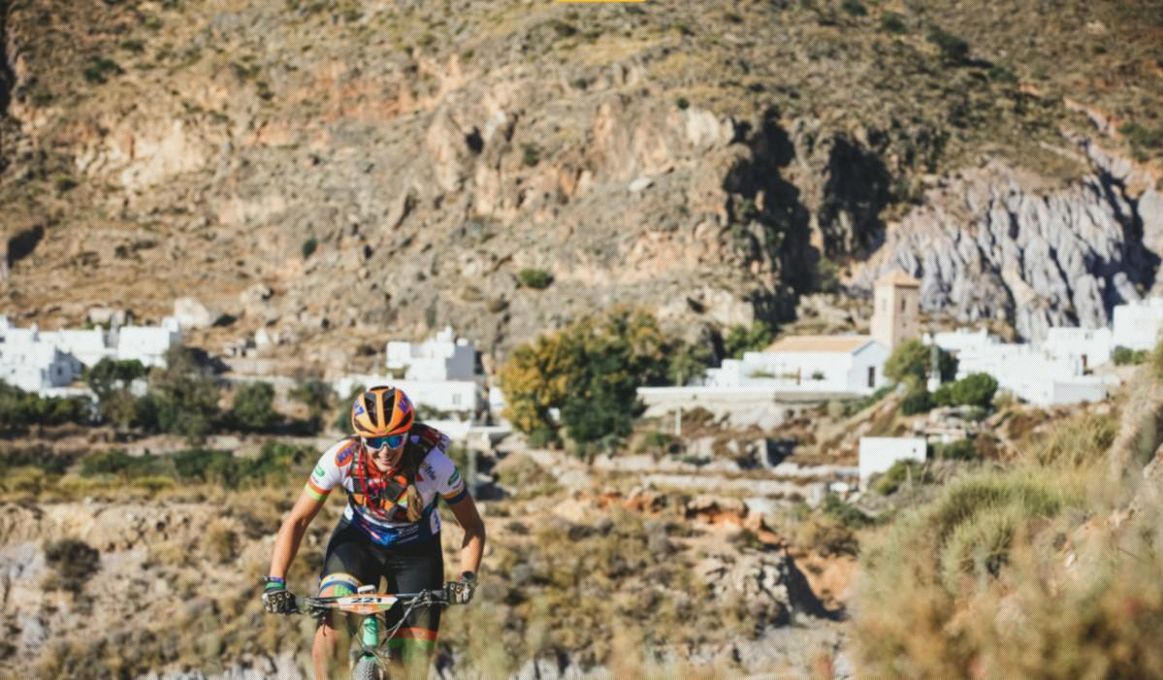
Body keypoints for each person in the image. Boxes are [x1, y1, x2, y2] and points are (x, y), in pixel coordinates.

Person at [262, 385, 486, 678]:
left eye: (394, 439)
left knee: (410, 668)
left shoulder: (434, 465)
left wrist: (467, 578)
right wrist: (276, 582)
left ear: (407, 433)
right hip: (358, 544)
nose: (385, 450)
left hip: (416, 552)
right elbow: (297, 520)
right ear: (360, 438)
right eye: (374, 441)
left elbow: (472, 525)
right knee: (331, 630)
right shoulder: (341, 458)